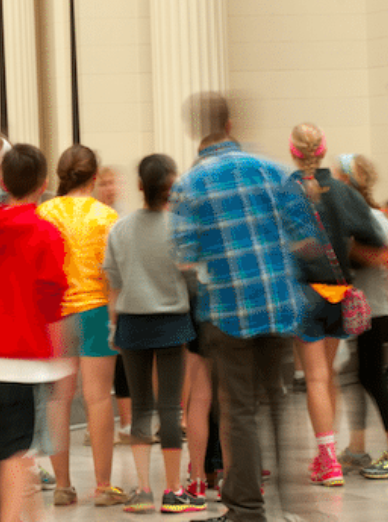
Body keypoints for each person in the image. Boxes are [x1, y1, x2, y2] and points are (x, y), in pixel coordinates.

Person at [169, 92, 314, 522]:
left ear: (196, 130)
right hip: (280, 306)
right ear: (230, 124)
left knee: (240, 411)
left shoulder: (189, 185)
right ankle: (294, 505)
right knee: (278, 404)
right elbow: (306, 237)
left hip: (229, 312)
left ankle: (248, 508)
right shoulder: (274, 171)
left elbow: (184, 255)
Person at [0, 143, 69, 522]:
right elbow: (52, 300)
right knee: (17, 451)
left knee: (5, 443)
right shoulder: (45, 233)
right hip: (28, 356)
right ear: (44, 183)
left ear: (2, 182)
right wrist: (60, 353)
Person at [286, 123, 384, 486]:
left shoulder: (285, 192)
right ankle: (325, 454)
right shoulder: (342, 190)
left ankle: (328, 460)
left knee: (314, 377)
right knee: (326, 375)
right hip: (338, 294)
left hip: (304, 294)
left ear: (293, 151)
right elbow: (375, 235)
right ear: (323, 149)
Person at [103, 154, 200, 513]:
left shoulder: (120, 229)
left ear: (140, 186)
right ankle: (173, 491)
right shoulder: (180, 228)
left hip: (131, 323)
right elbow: (191, 275)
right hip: (172, 323)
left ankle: (143, 490)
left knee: (141, 407)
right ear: (171, 187)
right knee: (171, 408)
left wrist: (113, 326)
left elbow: (113, 284)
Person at [38, 144, 124, 507]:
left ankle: (62, 485)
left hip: (55, 313)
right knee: (99, 398)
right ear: (94, 176)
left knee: (58, 399)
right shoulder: (106, 217)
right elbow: (114, 274)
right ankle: (103, 486)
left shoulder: (44, 213)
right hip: (96, 310)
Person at [331, 153, 388, 478]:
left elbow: (382, 256)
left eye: (339, 177)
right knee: (357, 376)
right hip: (361, 310)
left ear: (350, 181)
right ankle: (358, 448)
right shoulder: (355, 216)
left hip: (375, 309)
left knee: (372, 378)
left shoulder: (373, 217)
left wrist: (345, 250)